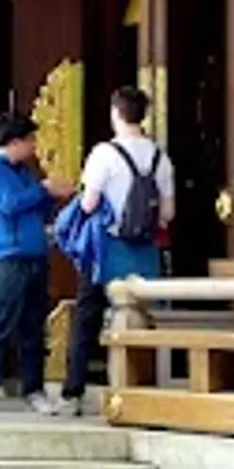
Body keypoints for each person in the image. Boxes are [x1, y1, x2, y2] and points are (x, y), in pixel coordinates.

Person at [64, 87, 175, 411]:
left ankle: (74, 392)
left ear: (115, 113)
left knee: (87, 317)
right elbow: (167, 214)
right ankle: (141, 387)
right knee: (144, 316)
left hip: (107, 248)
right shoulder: (160, 158)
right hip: (144, 250)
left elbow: (89, 202)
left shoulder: (104, 154)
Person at [0, 114, 65, 415]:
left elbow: (33, 204)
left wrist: (50, 196)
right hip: (3, 257)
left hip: (33, 254)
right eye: (30, 141)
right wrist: (44, 190)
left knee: (33, 326)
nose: (34, 147)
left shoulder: (23, 170)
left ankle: (34, 388)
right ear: (14, 142)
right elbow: (8, 203)